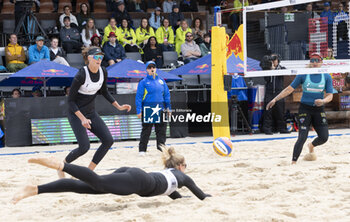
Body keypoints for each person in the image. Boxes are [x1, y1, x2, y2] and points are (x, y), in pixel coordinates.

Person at [12, 146, 211, 204]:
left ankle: (36, 189)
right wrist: (208, 197)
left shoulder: (172, 177)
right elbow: (200, 194)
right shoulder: (182, 177)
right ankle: (61, 165)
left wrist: (182, 198)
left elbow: (173, 194)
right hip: (138, 181)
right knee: (97, 182)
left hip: (135, 176)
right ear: (181, 165)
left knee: (86, 188)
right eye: (186, 165)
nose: (187, 169)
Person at [58, 46, 131, 178]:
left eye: (101, 57)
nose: (99, 59)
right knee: (84, 147)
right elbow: (70, 101)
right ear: (90, 58)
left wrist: (119, 106)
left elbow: (104, 92)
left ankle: (89, 172)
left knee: (108, 140)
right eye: (97, 57)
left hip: (90, 112)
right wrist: (82, 119)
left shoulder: (103, 71)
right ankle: (63, 165)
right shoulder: (81, 74)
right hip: (76, 114)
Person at [266, 53, 333, 164]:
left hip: (318, 110)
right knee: (302, 137)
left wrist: (323, 101)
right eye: (312, 60)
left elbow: (330, 95)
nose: (315, 62)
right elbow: (289, 89)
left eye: (317, 60)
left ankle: (311, 145)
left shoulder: (326, 76)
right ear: (310, 62)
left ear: (321, 62)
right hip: (305, 109)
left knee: (324, 137)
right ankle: (293, 162)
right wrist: (275, 99)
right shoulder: (303, 74)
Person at [135, 61, 170, 156]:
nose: (152, 69)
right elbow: (138, 97)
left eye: (153, 67)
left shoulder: (162, 81)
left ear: (156, 68)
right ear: (146, 70)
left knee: (161, 131)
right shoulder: (143, 82)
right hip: (148, 109)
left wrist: (168, 108)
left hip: (161, 108)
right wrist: (139, 110)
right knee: (146, 131)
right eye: (149, 67)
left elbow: (166, 95)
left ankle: (161, 149)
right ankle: (142, 150)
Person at [261, 54, 289, 135]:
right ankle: (267, 129)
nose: (273, 61)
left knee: (280, 111)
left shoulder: (282, 68)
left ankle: (282, 128)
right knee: (268, 111)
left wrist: (275, 69)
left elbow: (285, 73)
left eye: (275, 59)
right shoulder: (266, 68)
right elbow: (267, 79)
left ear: (278, 60)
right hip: (269, 92)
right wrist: (270, 69)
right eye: (272, 59)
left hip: (279, 92)